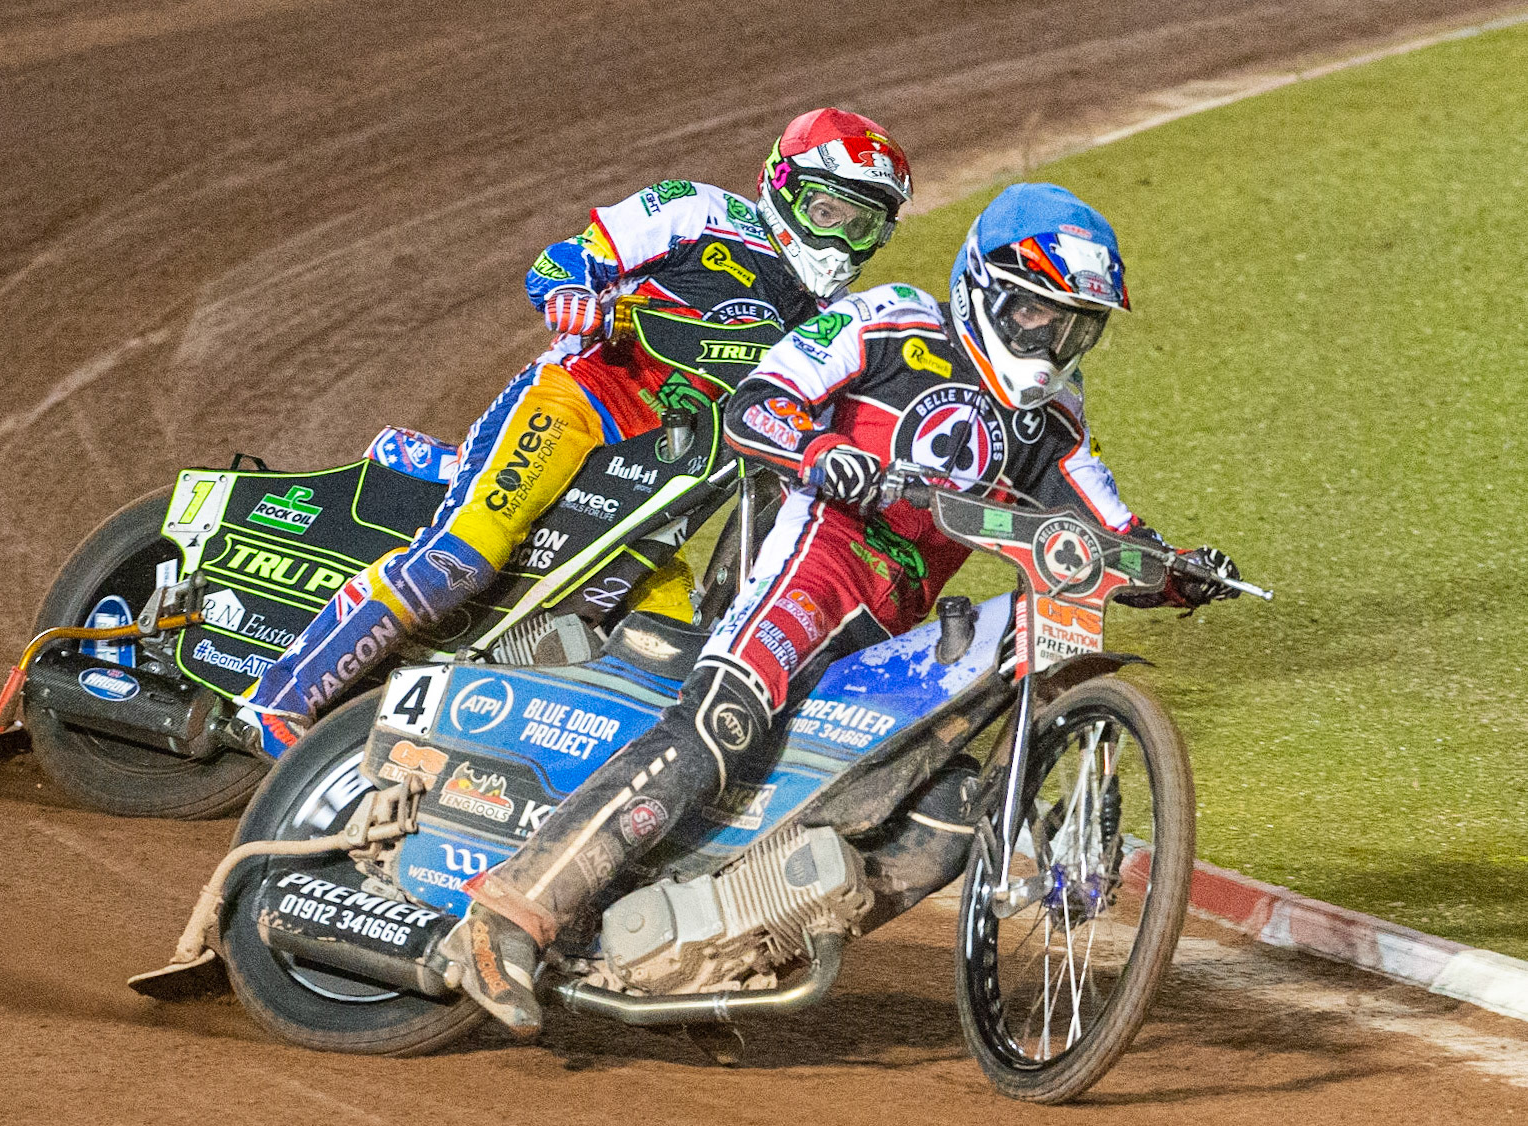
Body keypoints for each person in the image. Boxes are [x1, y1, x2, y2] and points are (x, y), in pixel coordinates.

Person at [447, 182, 1242, 1036]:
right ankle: (508, 916)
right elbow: (759, 402)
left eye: (1074, 327)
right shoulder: (890, 319)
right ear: (983, 288)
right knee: (721, 722)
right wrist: (821, 450)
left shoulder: (1055, 417)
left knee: (946, 814)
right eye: (1035, 315)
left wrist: (1176, 570)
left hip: (895, 622)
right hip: (816, 563)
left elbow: (1105, 527)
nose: (1050, 342)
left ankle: (718, 953)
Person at [237, 109, 913, 757]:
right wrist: (572, 293)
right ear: (783, 186)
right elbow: (566, 259)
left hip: (673, 480)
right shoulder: (698, 212)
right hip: (579, 403)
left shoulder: (831, 323)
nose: (838, 238)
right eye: (827, 211)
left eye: (860, 224)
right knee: (464, 555)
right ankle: (278, 700)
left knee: (667, 643)